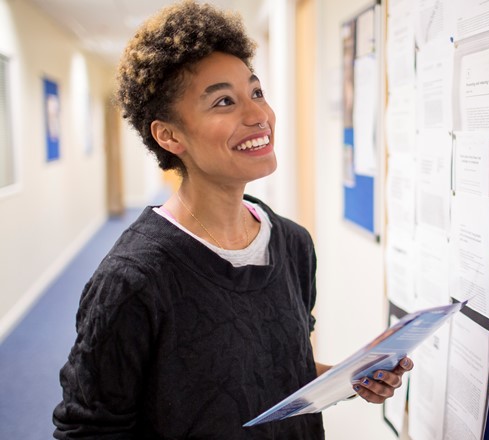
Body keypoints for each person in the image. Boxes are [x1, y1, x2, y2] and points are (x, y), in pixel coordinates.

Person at [52, 1, 412, 438]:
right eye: (224, 101)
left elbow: (275, 370)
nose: (258, 114)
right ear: (169, 135)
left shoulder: (292, 243)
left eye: (256, 92)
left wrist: (348, 376)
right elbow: (89, 430)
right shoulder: (133, 279)